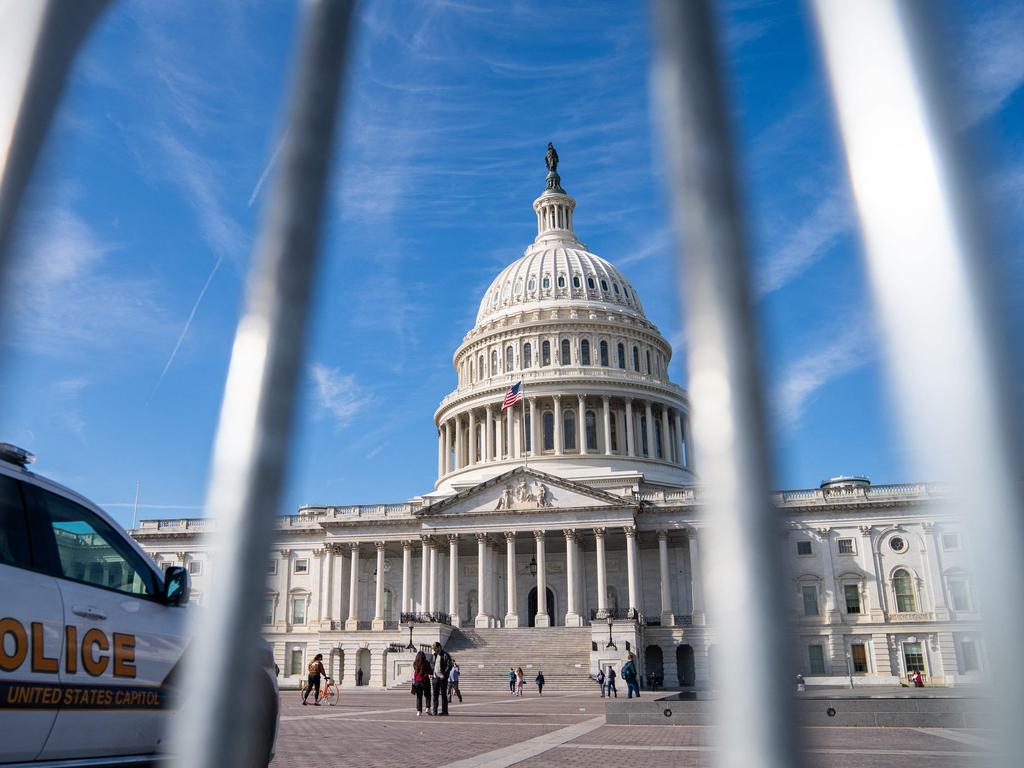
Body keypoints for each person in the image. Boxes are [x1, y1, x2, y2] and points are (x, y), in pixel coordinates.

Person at [431, 642, 453, 716]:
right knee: (435, 695)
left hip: (442, 678)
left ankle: (445, 711)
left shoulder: (445, 655)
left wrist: (444, 674)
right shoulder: (434, 655)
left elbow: (449, 666)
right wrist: (431, 673)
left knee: (444, 695)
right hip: (435, 678)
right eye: (434, 649)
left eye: (435, 649)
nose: (434, 651)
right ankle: (434, 711)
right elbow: (433, 665)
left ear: (439, 647)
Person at [412, 650, 431, 717]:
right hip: (425, 681)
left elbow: (414, 672)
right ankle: (427, 708)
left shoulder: (415, 663)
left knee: (419, 697)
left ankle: (419, 711)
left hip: (417, 682)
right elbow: (430, 672)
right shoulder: (426, 663)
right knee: (428, 695)